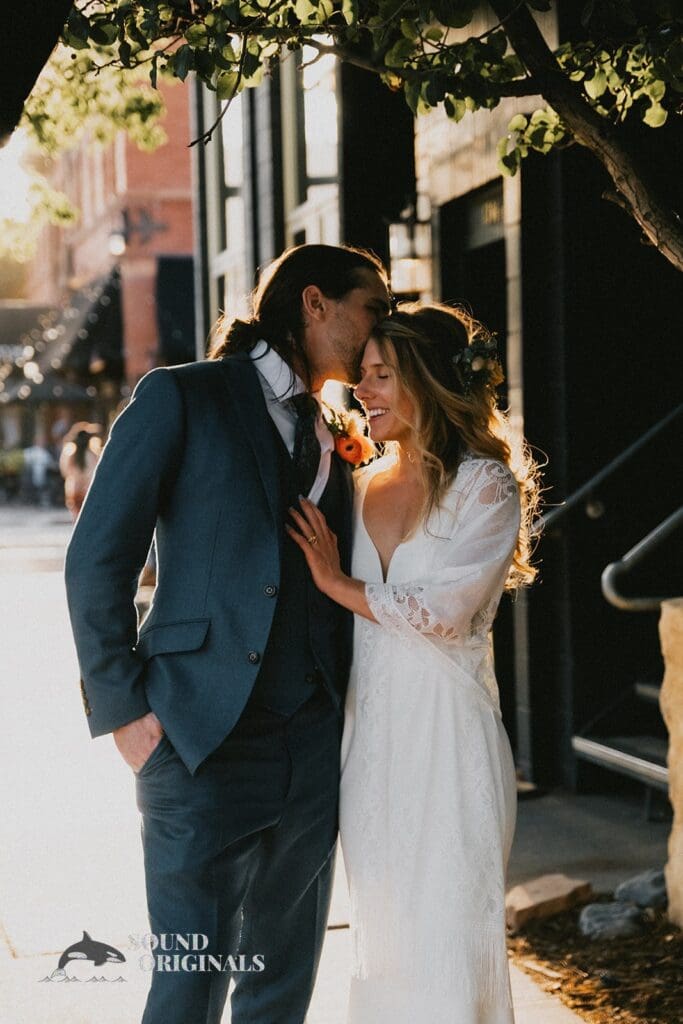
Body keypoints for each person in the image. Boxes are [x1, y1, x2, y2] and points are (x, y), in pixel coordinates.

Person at [64, 243, 391, 1024]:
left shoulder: (339, 428)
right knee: (189, 985)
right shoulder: (184, 396)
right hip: (195, 736)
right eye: (373, 306)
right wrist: (125, 713)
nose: (385, 324)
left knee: (282, 981)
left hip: (310, 744)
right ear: (315, 304)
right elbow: (96, 559)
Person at [288, 304, 542, 1024]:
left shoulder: (486, 487)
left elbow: (447, 609)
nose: (361, 391)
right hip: (370, 739)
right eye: (360, 375)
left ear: (429, 383)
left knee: (451, 932)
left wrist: (340, 584)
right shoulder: (363, 483)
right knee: (387, 930)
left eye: (380, 376)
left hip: (448, 735)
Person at [59, 422, 103, 520]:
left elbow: (65, 470)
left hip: (74, 487)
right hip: (89, 487)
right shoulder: (92, 453)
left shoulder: (70, 452)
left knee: (77, 516)